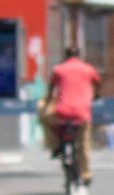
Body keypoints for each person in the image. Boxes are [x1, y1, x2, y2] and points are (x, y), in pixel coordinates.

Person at [41, 45, 102, 184]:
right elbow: (98, 84)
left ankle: (55, 146)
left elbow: (51, 89)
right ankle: (86, 174)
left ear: (65, 56)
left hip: (62, 112)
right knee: (84, 142)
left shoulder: (58, 69)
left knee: (45, 119)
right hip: (82, 112)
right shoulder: (88, 69)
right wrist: (96, 95)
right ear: (79, 55)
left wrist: (48, 102)